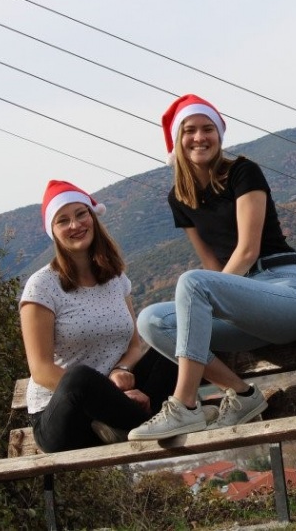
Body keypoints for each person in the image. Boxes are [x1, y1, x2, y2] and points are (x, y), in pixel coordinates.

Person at [130, 94, 296, 440]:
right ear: (178, 139)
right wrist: (207, 305)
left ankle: (184, 404)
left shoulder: (242, 172)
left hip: (286, 293)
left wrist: (208, 299)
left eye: (208, 129)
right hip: (240, 305)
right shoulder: (179, 197)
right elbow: (211, 265)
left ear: (219, 136)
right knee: (151, 321)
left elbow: (247, 250)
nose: (200, 137)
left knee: (192, 283)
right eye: (190, 130)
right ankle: (243, 395)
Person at [19, 179, 185, 451]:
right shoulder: (42, 286)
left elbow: (133, 346)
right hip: (63, 417)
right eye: (63, 220)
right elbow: (41, 370)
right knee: (79, 377)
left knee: (175, 344)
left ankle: (135, 423)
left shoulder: (116, 278)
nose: (75, 225)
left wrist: (121, 370)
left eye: (81, 214)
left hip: (118, 401)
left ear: (93, 217)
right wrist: (110, 398)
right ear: (53, 231)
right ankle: (150, 423)